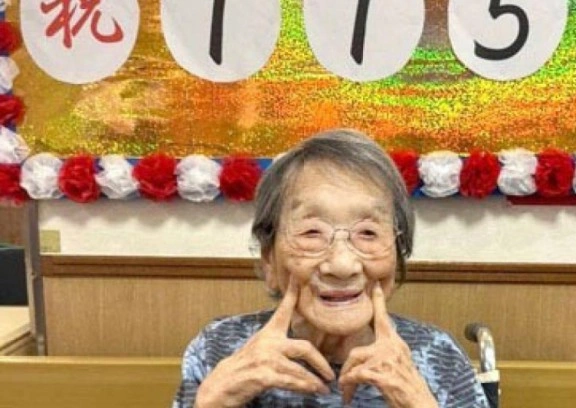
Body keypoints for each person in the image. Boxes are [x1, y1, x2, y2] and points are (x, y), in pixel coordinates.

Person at [173, 129, 488, 407]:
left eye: (368, 233)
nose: (342, 265)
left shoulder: (439, 355)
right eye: (312, 232)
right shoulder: (219, 348)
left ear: (398, 253)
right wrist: (212, 404)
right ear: (269, 259)